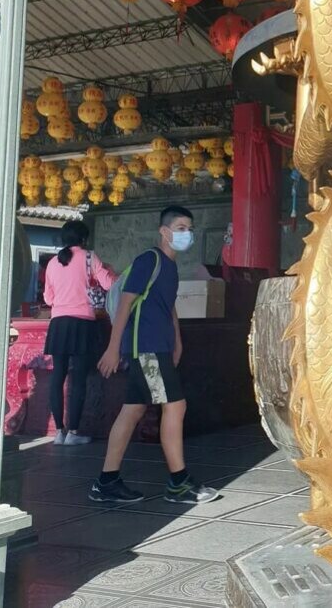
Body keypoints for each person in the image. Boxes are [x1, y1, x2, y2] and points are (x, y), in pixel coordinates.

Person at [89, 206, 218, 505]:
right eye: (181, 228)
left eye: (190, 229)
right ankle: (179, 483)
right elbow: (125, 303)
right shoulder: (150, 259)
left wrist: (177, 340)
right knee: (176, 405)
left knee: (132, 410)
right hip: (145, 348)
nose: (187, 234)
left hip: (157, 346)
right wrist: (113, 347)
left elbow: (168, 306)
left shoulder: (170, 267)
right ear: (164, 231)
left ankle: (106, 481)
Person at [44, 220, 117, 445]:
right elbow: (109, 285)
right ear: (84, 239)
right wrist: (109, 271)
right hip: (82, 324)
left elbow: (48, 298)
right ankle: (73, 433)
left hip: (58, 324)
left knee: (58, 376)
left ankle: (59, 432)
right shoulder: (89, 257)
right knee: (78, 379)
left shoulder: (53, 263)